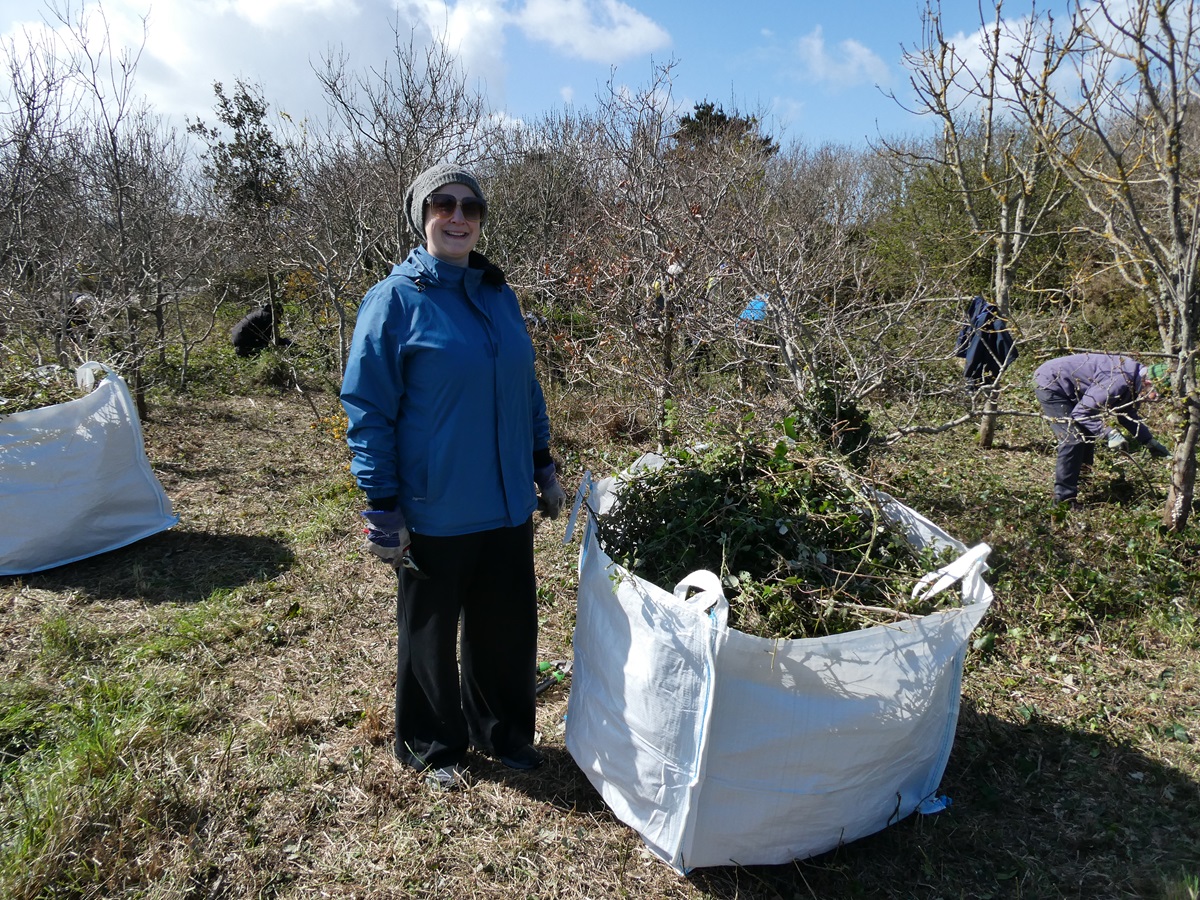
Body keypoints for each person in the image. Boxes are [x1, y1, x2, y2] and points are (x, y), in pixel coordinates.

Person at [339, 161, 567, 791]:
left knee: (507, 630)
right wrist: (382, 503)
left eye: (471, 206)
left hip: (505, 502)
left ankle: (505, 733)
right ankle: (432, 746)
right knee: (430, 636)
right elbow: (367, 407)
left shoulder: (498, 294)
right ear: (423, 215)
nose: (459, 216)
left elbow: (525, 387)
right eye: (444, 204)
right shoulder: (394, 301)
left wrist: (541, 462)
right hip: (434, 506)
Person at [1033, 353, 1170, 507]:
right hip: (1052, 382)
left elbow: (1126, 414)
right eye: (1157, 394)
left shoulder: (1135, 383)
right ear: (1149, 382)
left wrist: (1148, 440)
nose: (1156, 399)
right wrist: (1109, 433)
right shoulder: (1119, 379)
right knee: (1072, 439)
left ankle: (1083, 482)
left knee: (1087, 434)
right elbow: (1082, 412)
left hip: (1073, 389)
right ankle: (1064, 501)